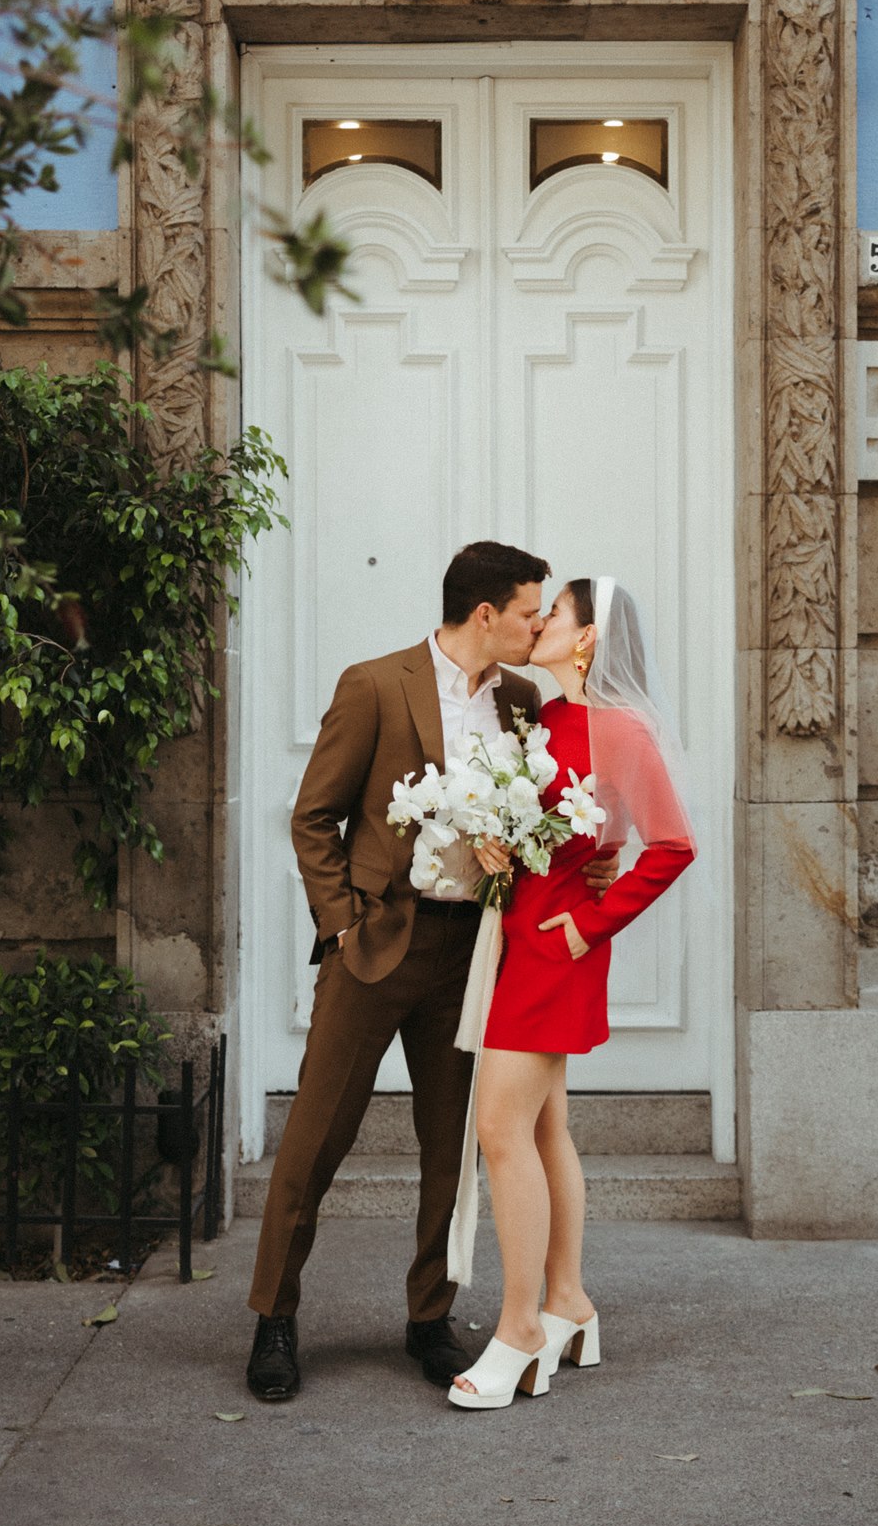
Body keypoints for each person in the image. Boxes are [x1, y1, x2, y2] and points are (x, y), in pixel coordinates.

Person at [245, 542, 620, 1402]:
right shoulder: (375, 683)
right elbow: (314, 819)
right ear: (484, 614)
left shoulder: (524, 700)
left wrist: (586, 866)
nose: (540, 624)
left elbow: (553, 813)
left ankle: (428, 1317)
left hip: (477, 950)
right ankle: (274, 1317)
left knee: (451, 1143)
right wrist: (342, 927)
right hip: (377, 945)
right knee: (316, 1136)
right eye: (531, 611)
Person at [448, 576, 697, 1411]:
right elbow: (574, 824)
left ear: (586, 638)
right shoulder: (548, 718)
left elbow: (670, 845)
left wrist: (592, 922)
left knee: (498, 1128)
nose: (541, 620)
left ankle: (520, 1329)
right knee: (545, 1124)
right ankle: (567, 1302)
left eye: (555, 612)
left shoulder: (621, 729)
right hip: (519, 933)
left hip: (558, 947)